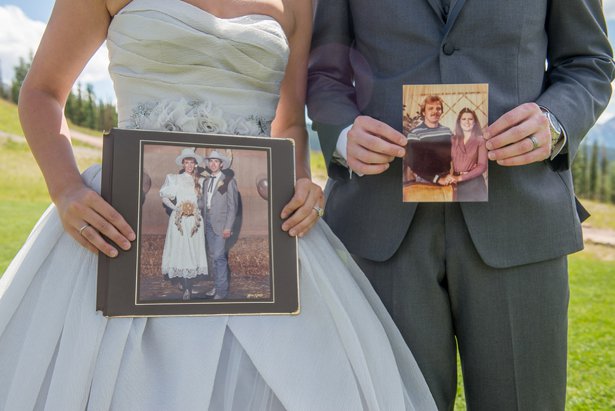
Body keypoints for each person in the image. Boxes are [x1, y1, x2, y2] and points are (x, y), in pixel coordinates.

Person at [0, 0, 437, 409]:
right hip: (126, 223)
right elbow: (42, 91)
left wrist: (302, 181)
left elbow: (288, 121)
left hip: (257, 229)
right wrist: (67, 190)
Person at [307, 0, 613, 409]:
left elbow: (587, 62)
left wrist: (554, 120)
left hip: (519, 219)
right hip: (380, 226)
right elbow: (324, 72)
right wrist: (342, 133)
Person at [159, 148, 208, 300]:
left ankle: (187, 283)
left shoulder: (200, 180)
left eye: (191, 162)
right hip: (179, 220)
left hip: (195, 221)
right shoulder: (175, 178)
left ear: (195, 164)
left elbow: (205, 202)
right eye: (186, 162)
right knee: (181, 250)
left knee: (192, 251)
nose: (189, 165)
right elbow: (165, 198)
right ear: (182, 164)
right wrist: (177, 208)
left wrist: (196, 211)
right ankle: (186, 287)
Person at [202, 150, 238, 299]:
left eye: (216, 161)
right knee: (212, 256)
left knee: (219, 257)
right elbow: (204, 203)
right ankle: (216, 287)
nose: (213, 163)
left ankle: (222, 292)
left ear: (221, 164)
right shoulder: (206, 181)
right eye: (211, 161)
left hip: (221, 224)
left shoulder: (229, 181)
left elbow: (233, 206)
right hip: (208, 222)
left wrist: (228, 227)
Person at [438, 108, 488, 201]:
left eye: (470, 119)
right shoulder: (452, 140)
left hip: (475, 184)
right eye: (464, 119)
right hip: (456, 184)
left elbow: (482, 166)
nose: (467, 122)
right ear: (459, 122)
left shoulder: (480, 140)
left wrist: (459, 178)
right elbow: (444, 160)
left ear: (475, 122)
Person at [405, 95, 452, 185]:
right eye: (430, 108)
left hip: (446, 178)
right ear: (423, 112)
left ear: (441, 111)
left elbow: (454, 154)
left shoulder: (447, 131)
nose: (435, 112)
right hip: (425, 180)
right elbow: (413, 163)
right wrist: (437, 179)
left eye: (438, 108)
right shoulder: (415, 133)